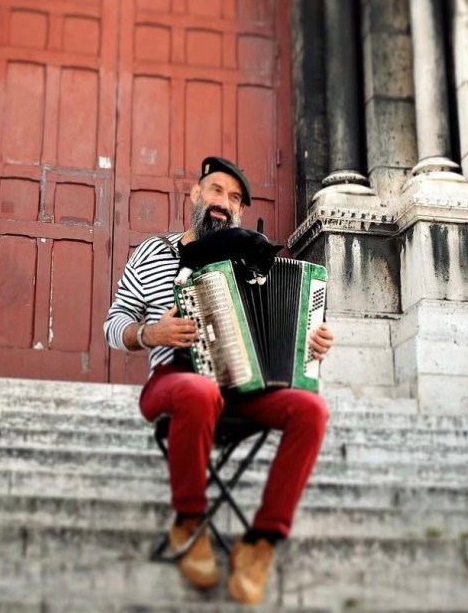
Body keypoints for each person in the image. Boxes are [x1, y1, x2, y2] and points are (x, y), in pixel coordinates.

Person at [103, 156, 334, 607]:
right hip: (174, 380)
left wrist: (313, 338)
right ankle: (190, 524)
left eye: (234, 198)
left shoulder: (253, 261)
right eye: (216, 190)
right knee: (199, 389)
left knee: (312, 409)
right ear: (195, 194)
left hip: (242, 387)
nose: (224, 203)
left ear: (240, 211)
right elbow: (115, 324)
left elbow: (285, 322)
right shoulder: (152, 253)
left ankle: (262, 541)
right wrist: (150, 333)